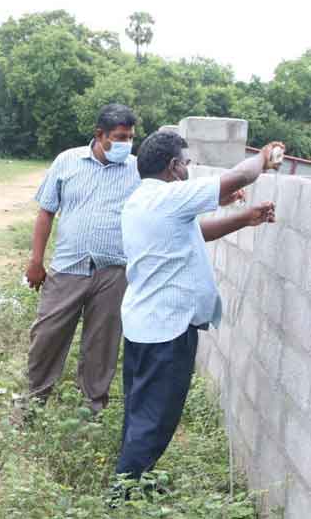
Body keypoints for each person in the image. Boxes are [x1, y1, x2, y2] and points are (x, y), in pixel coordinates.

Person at [114, 131, 280, 481]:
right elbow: (242, 175)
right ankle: (124, 496)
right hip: (168, 329)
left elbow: (194, 232)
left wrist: (244, 217)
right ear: (174, 167)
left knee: (141, 412)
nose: (188, 169)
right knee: (155, 419)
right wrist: (265, 156)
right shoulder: (169, 196)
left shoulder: (141, 201)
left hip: (145, 324)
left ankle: (130, 483)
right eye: (186, 163)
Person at [24, 104, 140, 414]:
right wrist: (36, 261)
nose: (126, 144)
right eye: (119, 137)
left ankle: (92, 409)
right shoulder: (67, 161)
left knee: (102, 344)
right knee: (47, 335)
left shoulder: (137, 169)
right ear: (99, 135)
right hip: (68, 268)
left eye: (130, 137)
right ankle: (33, 403)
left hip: (114, 270)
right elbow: (46, 211)